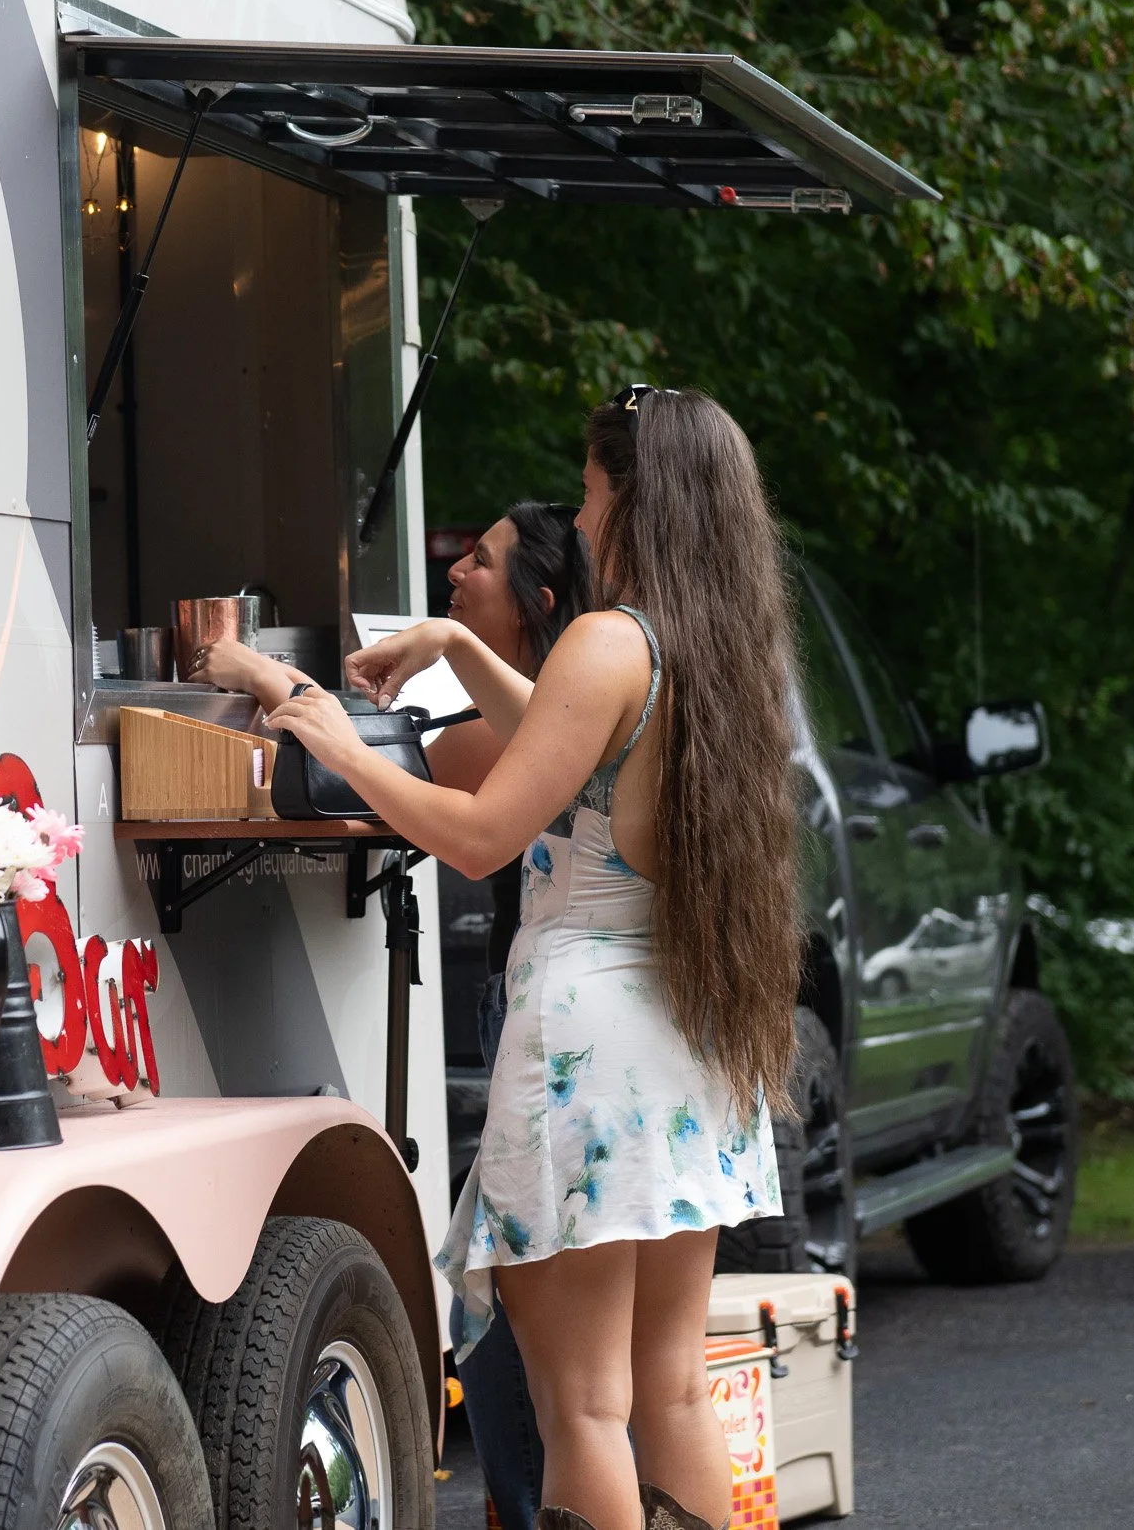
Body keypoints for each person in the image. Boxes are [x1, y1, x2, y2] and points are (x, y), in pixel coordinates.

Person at [263, 387, 800, 1530]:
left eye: (594, 488)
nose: (585, 511)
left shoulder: (611, 640)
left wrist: (330, 744)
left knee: (586, 1408)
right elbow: (576, 746)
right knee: (671, 1392)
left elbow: (479, 833)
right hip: (689, 1039)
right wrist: (458, 641)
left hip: (591, 1048)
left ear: (637, 497)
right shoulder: (715, 647)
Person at [194, 503, 591, 1530]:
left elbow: (379, 772)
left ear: (537, 605)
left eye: (485, 563)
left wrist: (254, 675)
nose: (458, 569)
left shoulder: (552, 719)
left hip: (569, 1036)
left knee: (528, 1345)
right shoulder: (569, 702)